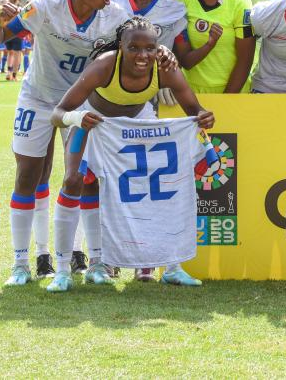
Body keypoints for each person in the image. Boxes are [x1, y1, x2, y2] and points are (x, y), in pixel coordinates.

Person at [0, 0, 132, 286]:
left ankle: (95, 261)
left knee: (85, 177)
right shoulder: (44, 7)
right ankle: (20, 265)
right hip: (37, 98)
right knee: (27, 175)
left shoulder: (115, 17)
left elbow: (136, 47)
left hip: (80, 104)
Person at [47, 17, 211, 291]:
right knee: (73, 181)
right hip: (94, 121)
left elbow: (195, 110)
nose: (142, 55)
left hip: (137, 122)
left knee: (160, 185)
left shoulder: (164, 68)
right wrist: (77, 118)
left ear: (158, 48)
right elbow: (57, 113)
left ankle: (171, 266)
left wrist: (204, 116)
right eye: (134, 48)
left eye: (150, 48)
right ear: (120, 46)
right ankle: (64, 271)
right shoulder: (104, 66)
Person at [171, 0, 255, 94]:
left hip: (232, 93)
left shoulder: (241, 3)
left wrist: (225, 101)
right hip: (190, 93)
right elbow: (184, 60)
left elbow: (245, 61)